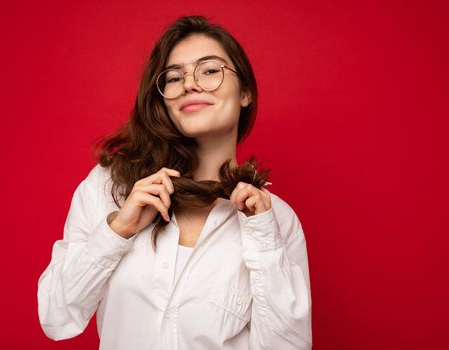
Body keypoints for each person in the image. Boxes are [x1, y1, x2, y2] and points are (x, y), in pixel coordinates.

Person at [38, 15, 312, 350]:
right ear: (163, 99)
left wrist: (265, 241)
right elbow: (55, 316)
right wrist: (116, 231)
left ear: (246, 92)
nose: (190, 84)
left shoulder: (276, 221)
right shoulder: (111, 187)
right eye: (173, 77)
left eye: (210, 70)